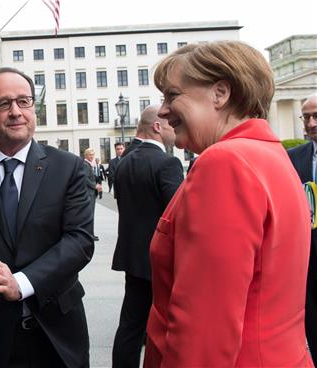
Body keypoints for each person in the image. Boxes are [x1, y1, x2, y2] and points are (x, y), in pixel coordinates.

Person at [144, 40, 313, 367]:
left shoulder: (225, 162)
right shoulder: (270, 156)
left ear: (220, 93)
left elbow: (203, 326)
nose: (163, 110)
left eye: (172, 95)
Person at [0, 67, 94, 368]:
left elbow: (79, 241)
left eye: (24, 102)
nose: (16, 112)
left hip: (58, 336)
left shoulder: (69, 168)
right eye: (4, 104)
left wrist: (22, 282)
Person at [111, 105, 183, 368]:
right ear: (156, 127)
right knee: (163, 327)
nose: (174, 130)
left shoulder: (123, 161)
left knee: (130, 326)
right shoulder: (167, 162)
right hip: (160, 260)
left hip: (132, 257)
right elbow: (177, 214)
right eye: (169, 125)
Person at [288, 92, 317, 357]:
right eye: (306, 117)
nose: (310, 123)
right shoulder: (294, 157)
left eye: (316, 116)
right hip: (307, 254)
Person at [83, 148, 101, 240]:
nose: (92, 156)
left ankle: (90, 234)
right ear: (86, 155)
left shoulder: (89, 164)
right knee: (90, 215)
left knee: (90, 214)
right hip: (89, 193)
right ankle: (90, 235)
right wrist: (95, 186)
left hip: (90, 193)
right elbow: (85, 179)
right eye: (90, 155)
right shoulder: (86, 165)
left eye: (93, 155)